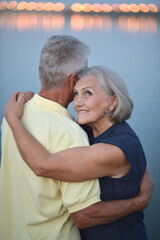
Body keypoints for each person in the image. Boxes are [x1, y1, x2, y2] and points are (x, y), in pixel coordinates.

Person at [3, 65, 153, 240]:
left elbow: (42, 165)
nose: (77, 102)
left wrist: (13, 119)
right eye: (75, 93)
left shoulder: (115, 150)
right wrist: (29, 97)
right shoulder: (89, 129)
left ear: (112, 102)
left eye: (88, 93)